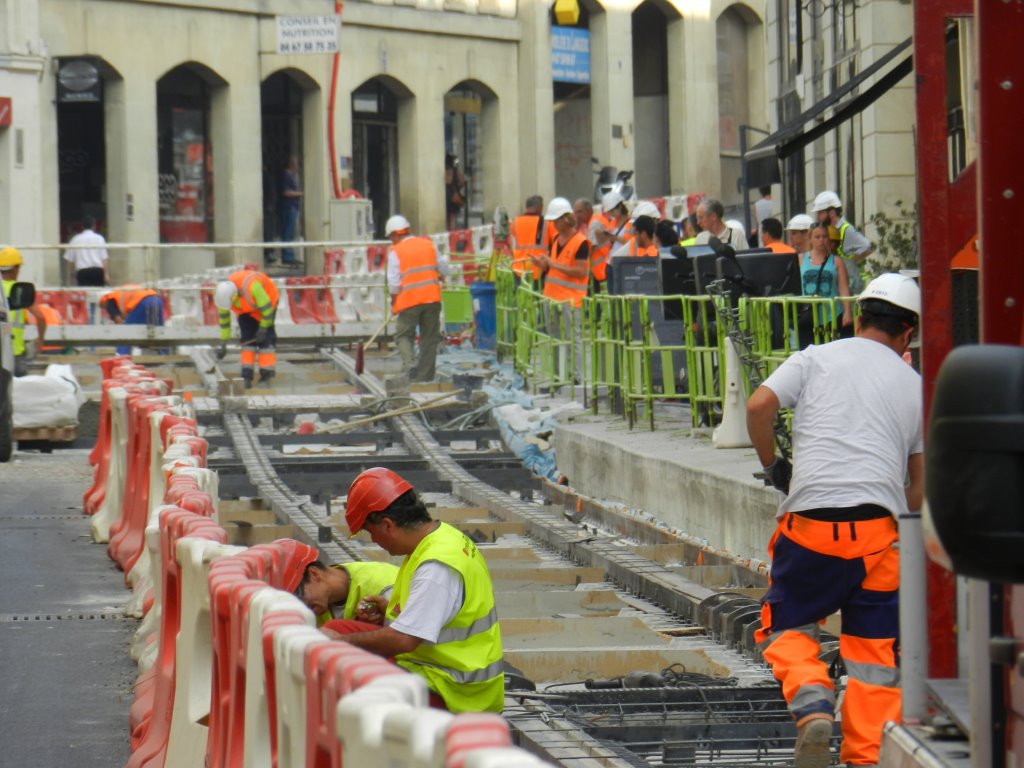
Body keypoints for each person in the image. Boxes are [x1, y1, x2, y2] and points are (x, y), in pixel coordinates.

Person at [745, 273, 923, 768]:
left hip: (811, 529)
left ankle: (812, 700)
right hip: (879, 536)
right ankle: (866, 758)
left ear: (858, 317)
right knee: (875, 658)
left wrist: (773, 466)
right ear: (908, 335)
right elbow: (921, 485)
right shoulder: (916, 387)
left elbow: (758, 406)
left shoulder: (815, 358)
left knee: (785, 625)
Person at [324, 467, 504, 713]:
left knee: (349, 673)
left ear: (387, 525)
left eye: (371, 532)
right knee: (339, 628)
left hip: (453, 690)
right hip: (436, 669)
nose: (374, 540)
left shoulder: (436, 566)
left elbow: (404, 640)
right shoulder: (439, 539)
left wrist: (339, 643)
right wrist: (390, 611)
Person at [386, 214, 449, 382]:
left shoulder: (396, 252)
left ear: (395, 234)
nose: (391, 241)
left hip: (409, 302)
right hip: (432, 299)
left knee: (403, 336)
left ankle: (410, 365)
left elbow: (393, 284)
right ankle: (424, 378)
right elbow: (444, 269)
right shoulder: (429, 245)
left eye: (390, 237)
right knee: (429, 339)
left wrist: (394, 304)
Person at [289, 554, 399, 628]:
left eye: (300, 598)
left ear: (314, 574)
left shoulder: (383, 586)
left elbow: (403, 639)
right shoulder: (319, 604)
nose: (302, 607)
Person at [213, 268, 279, 388]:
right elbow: (224, 322)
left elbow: (268, 311)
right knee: (247, 340)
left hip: (267, 304)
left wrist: (263, 328)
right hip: (247, 310)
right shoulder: (223, 298)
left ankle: (266, 375)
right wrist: (223, 343)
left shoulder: (253, 287)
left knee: (266, 341)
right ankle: (246, 376)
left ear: (235, 296)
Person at [798, 223, 853, 348]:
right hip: (808, 314)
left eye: (824, 236)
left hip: (832, 313)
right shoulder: (800, 259)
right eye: (817, 237)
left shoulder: (836, 261)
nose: (821, 240)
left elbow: (843, 287)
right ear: (810, 239)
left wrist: (847, 312)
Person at [810, 191, 873, 295]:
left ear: (832, 212)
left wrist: (850, 260)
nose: (818, 217)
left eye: (820, 213)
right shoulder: (831, 229)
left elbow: (868, 247)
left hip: (850, 285)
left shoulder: (845, 229)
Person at [1, 247, 47, 377]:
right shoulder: (18, 290)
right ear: (15, 269)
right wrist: (40, 339)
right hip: (15, 352)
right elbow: (40, 317)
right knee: (17, 387)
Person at [100, 285, 166, 356]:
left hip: (140, 303)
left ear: (103, 302)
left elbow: (119, 323)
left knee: (125, 333)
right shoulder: (120, 292)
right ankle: (164, 355)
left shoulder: (109, 300)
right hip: (157, 300)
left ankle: (121, 355)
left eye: (103, 307)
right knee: (160, 331)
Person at [590, 190, 631, 290]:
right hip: (611, 263)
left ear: (620, 207)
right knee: (612, 294)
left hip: (624, 263)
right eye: (609, 212)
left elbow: (631, 243)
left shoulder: (631, 223)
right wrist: (602, 235)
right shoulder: (613, 222)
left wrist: (615, 238)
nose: (611, 214)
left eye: (612, 211)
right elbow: (607, 243)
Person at [509, 196, 552, 281]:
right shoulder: (547, 222)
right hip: (538, 271)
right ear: (540, 207)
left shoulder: (515, 221)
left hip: (518, 269)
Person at [64, 215, 110, 287]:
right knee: (98, 292)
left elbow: (69, 260)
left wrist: (70, 275)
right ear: (94, 226)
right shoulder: (99, 238)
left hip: (82, 272)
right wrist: (106, 274)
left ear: (82, 226)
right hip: (97, 271)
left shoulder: (75, 239)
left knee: (85, 292)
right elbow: (104, 258)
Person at [279, 155, 302, 265]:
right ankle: (287, 256)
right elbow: (286, 192)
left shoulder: (292, 176)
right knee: (287, 232)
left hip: (293, 207)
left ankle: (290, 254)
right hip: (289, 207)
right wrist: (300, 194)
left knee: (291, 232)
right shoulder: (286, 175)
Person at [445, 154, 467, 232]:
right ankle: (453, 234)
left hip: (445, 195)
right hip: (453, 195)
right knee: (452, 217)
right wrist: (458, 187)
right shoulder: (454, 170)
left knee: (446, 217)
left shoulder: (444, 170)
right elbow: (462, 181)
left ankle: (447, 234)